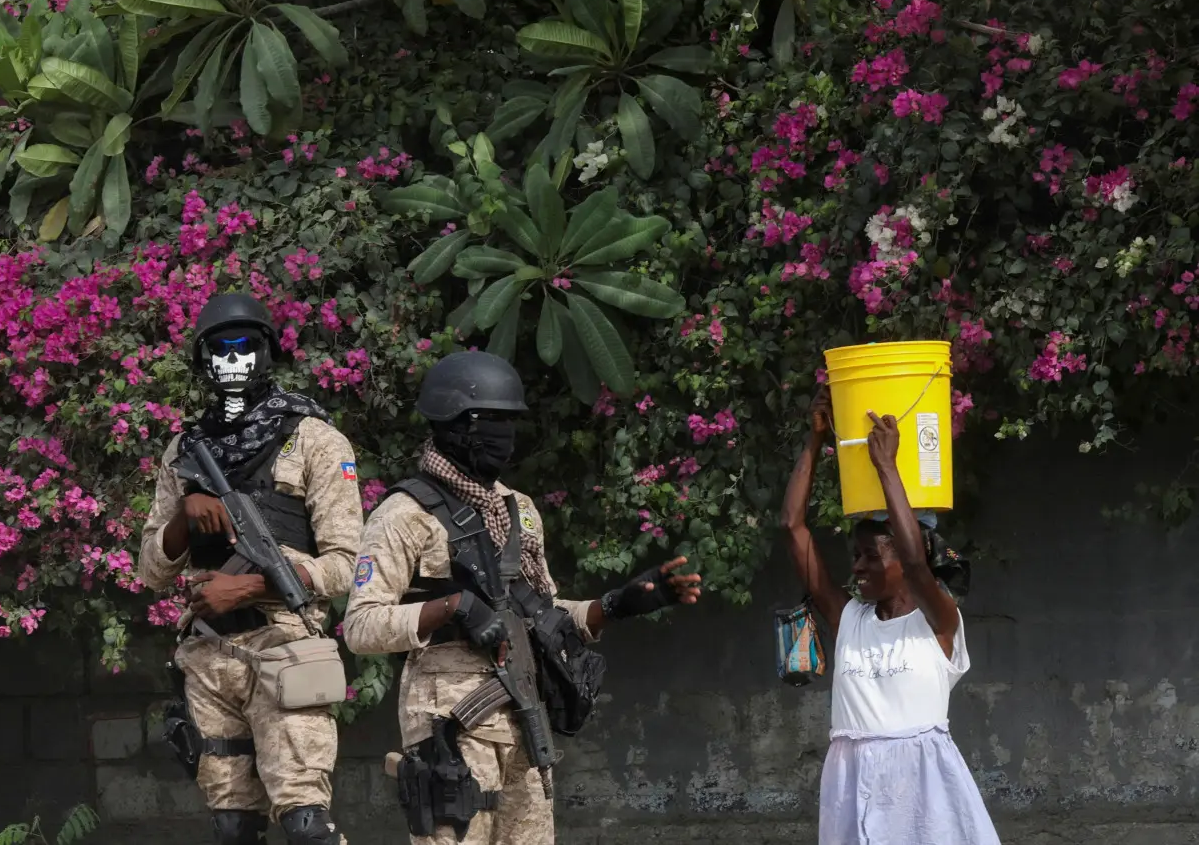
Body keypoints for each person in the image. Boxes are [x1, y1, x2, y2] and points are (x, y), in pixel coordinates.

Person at [342, 350, 703, 845]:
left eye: (509, 423)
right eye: (493, 422)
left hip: (522, 712)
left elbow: (541, 613)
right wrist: (453, 608)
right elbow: (361, 626)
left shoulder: (519, 510)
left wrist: (621, 603)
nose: (505, 437)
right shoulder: (405, 514)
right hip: (450, 725)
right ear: (456, 424)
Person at [138, 292, 364, 845]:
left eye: (246, 347)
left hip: (286, 648)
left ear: (266, 353)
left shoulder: (313, 438)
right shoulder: (184, 451)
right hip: (211, 657)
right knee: (234, 828)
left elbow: (350, 565)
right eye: (220, 349)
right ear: (204, 360)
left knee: (307, 825)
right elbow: (151, 570)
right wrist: (184, 521)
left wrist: (256, 585)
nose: (233, 359)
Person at [780, 387, 999, 845]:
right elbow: (792, 527)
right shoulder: (849, 620)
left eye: (870, 556)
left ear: (902, 557)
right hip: (850, 781)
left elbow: (918, 564)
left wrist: (886, 467)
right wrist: (814, 442)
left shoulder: (938, 623)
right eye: (854, 555)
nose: (856, 567)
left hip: (923, 791)